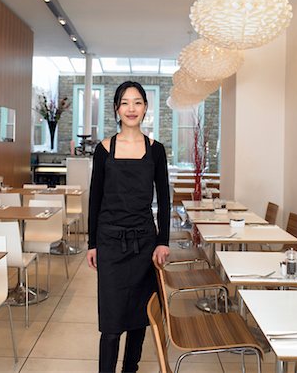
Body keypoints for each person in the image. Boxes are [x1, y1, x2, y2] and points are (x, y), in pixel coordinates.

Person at [86, 81, 170, 373]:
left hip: (144, 243)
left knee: (138, 318)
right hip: (110, 243)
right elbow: (94, 199)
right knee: (111, 323)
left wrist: (163, 241)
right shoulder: (104, 149)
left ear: (146, 107)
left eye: (137, 102)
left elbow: (166, 199)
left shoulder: (155, 150)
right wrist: (92, 243)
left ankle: (130, 370)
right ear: (116, 109)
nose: (131, 108)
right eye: (125, 102)